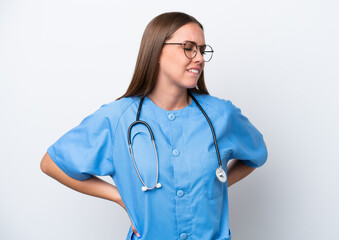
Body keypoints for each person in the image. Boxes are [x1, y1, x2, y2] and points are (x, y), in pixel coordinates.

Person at [40, 11, 268, 240]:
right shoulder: (118, 118)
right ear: (157, 51)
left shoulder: (222, 115)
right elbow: (52, 164)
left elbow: (256, 155)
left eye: (202, 49)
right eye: (189, 47)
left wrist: (216, 184)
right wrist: (120, 197)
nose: (199, 57)